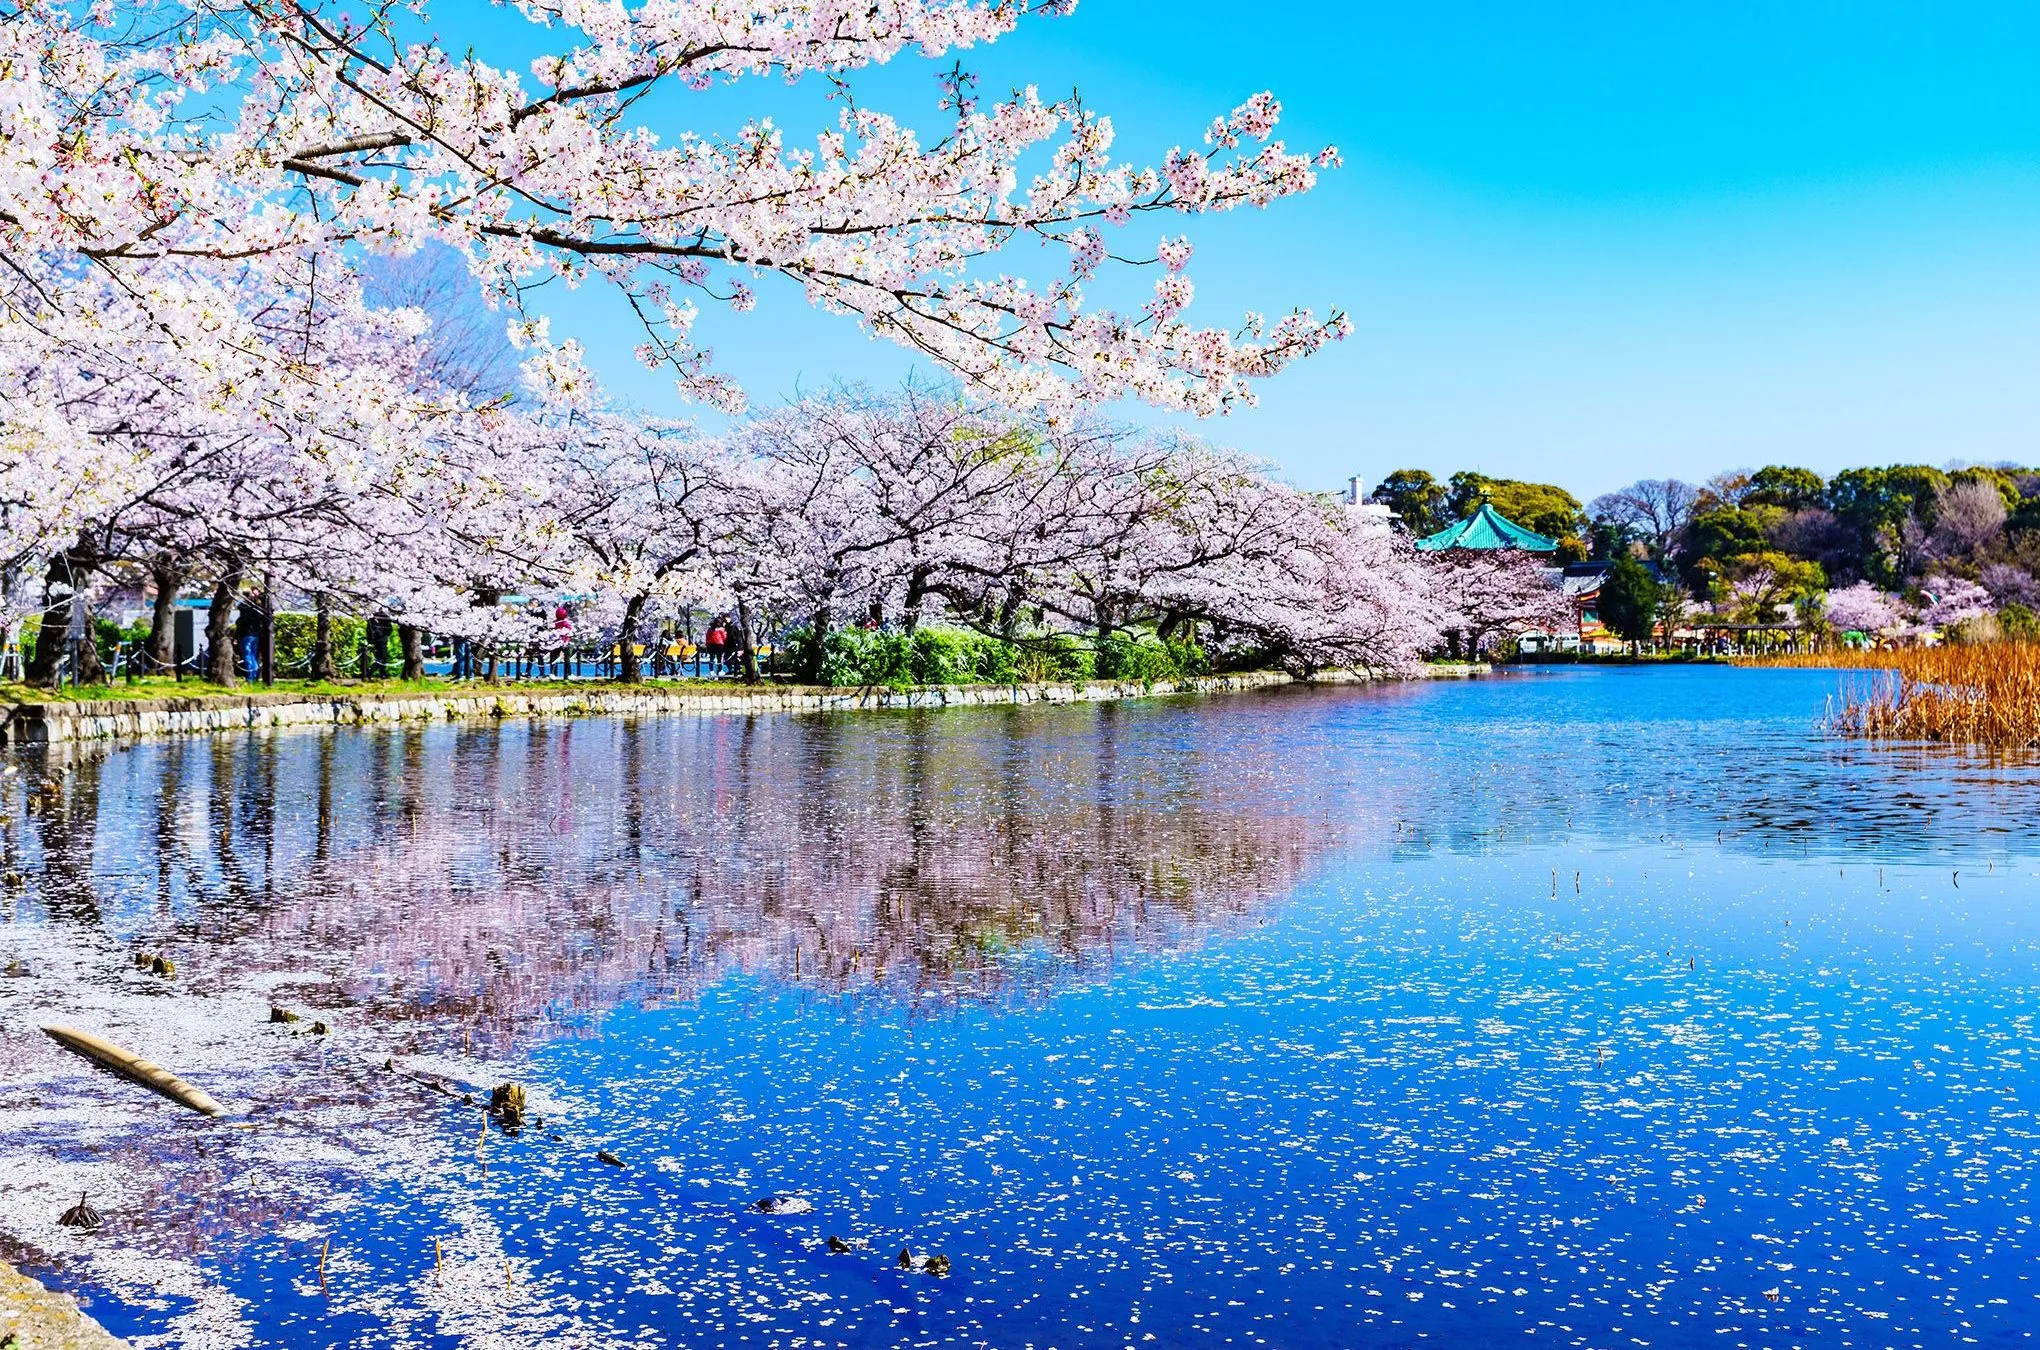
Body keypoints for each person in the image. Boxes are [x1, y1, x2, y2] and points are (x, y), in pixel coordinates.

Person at [234, 593, 264, 681]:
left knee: (247, 655)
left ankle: (250, 677)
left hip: (246, 634)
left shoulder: (246, 611)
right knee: (253, 655)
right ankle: (254, 675)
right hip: (255, 634)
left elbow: (241, 622)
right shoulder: (258, 611)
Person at [364, 611, 392, 679]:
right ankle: (371, 670)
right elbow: (389, 629)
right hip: (381, 640)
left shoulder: (371, 619)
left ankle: (382, 673)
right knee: (382, 658)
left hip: (376, 641)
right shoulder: (384, 618)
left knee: (380, 658)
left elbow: (369, 631)